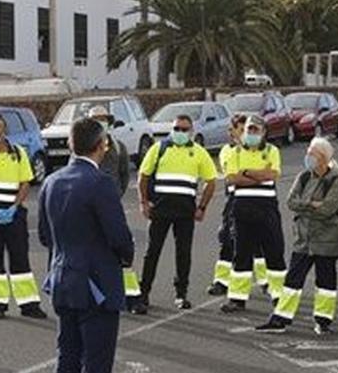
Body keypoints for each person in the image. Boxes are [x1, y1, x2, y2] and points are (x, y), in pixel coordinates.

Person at [38, 118, 135, 373]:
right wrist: (123, 258)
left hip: (63, 281)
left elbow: (46, 236)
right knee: (94, 372)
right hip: (96, 286)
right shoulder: (100, 183)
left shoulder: (51, 181)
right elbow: (120, 237)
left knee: (66, 367)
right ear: (101, 145)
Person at [256, 137, 338, 334]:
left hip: (326, 240)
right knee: (292, 280)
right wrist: (312, 204)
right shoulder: (303, 177)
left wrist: (305, 205)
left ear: (324, 157)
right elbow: (291, 202)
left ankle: (323, 321)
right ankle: (280, 318)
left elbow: (328, 209)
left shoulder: (335, 180)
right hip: (304, 238)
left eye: (312, 153)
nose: (308, 156)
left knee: (326, 281)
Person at [135, 113, 217, 313]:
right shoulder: (159, 148)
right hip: (160, 210)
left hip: (185, 212)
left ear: (191, 132)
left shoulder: (198, 152)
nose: (180, 132)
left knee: (183, 253)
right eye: (177, 129)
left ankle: (181, 294)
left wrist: (202, 207)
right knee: (152, 252)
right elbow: (143, 176)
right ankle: (144, 293)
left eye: (184, 129)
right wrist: (143, 202)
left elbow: (211, 181)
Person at [0, 112, 47, 320]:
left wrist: (14, 207)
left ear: (3, 131)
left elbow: (25, 183)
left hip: (14, 212)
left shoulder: (19, 153)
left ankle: (28, 304)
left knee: (20, 257)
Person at [222, 116, 286, 314]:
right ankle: (237, 298)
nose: (251, 133)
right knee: (241, 253)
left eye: (255, 130)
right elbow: (231, 179)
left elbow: (273, 175)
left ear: (264, 132)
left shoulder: (271, 151)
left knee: (274, 252)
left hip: (267, 208)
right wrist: (258, 175)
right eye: (248, 129)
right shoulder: (235, 152)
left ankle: (279, 296)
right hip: (242, 207)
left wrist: (246, 172)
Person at [86, 106, 140, 309]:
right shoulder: (83, 148)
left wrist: (114, 196)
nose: (100, 123)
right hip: (89, 208)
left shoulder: (118, 146)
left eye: (103, 119)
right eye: (96, 119)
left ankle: (132, 296)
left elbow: (124, 175)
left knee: (122, 247)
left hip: (112, 206)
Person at [208, 114, 248, 296]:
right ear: (232, 132)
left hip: (256, 200)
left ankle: (267, 282)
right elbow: (233, 176)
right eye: (241, 130)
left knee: (258, 243)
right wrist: (254, 175)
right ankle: (222, 281)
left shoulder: (259, 151)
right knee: (227, 238)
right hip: (233, 200)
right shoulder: (227, 150)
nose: (244, 134)